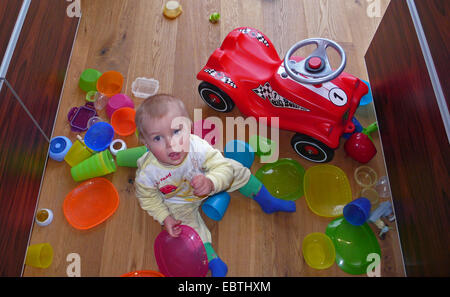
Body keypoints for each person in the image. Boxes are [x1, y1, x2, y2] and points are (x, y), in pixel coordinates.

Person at [134, 94, 296, 277]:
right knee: (186, 229)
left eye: (177, 131)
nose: (171, 144)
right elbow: (148, 198)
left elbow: (222, 167)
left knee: (235, 169)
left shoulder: (198, 147)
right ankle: (213, 262)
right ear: (145, 142)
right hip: (179, 202)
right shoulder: (147, 173)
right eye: (157, 139)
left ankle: (267, 201)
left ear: (189, 127)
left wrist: (211, 181)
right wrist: (165, 218)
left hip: (208, 181)